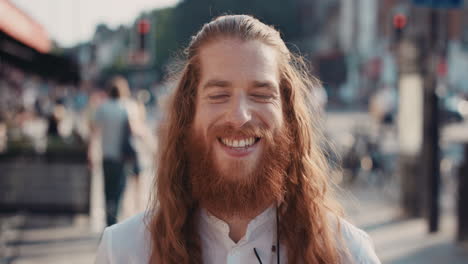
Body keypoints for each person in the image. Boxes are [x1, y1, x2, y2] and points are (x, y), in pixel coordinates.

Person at [95, 15, 381, 263]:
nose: (240, 116)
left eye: (260, 94)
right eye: (219, 95)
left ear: (289, 116)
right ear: (188, 114)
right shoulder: (124, 251)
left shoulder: (348, 253)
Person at [89, 76, 137, 226]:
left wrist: (91, 152)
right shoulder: (127, 108)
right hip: (122, 157)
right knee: (119, 191)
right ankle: (115, 222)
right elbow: (133, 132)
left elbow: (95, 133)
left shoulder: (102, 108)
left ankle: (109, 222)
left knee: (107, 192)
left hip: (107, 156)